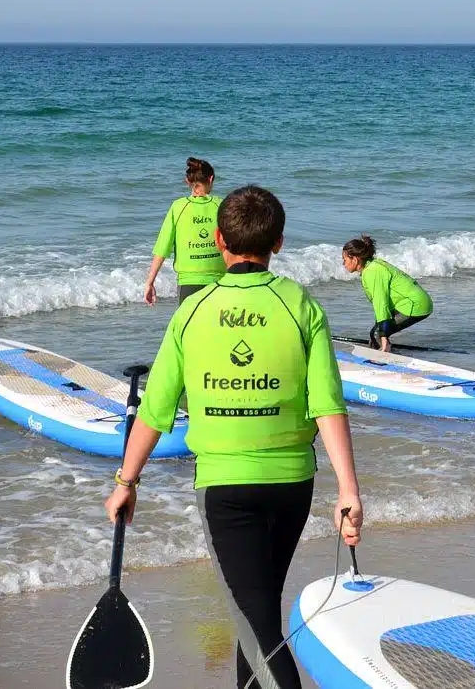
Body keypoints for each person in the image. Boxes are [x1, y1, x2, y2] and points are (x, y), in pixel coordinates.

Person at [107, 185, 363, 689]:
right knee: (258, 617)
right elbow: (328, 405)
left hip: (225, 490)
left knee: (259, 629)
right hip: (293, 483)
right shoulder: (299, 305)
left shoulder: (193, 311)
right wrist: (348, 490)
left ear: (219, 240)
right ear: (280, 242)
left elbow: (155, 412)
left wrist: (126, 481)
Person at [144, 157, 226, 306]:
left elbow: (162, 247)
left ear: (188, 182)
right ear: (211, 178)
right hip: (220, 282)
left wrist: (150, 282)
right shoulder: (221, 205)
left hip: (188, 283)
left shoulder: (178, 207)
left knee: (191, 328)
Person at [341, 235, 433, 352]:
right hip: (411, 302)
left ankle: (385, 356)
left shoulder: (372, 271)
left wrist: (383, 335)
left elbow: (381, 302)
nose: (343, 263)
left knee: (377, 334)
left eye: (344, 260)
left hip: (416, 305)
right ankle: (385, 350)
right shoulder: (372, 266)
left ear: (355, 259)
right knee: (377, 333)